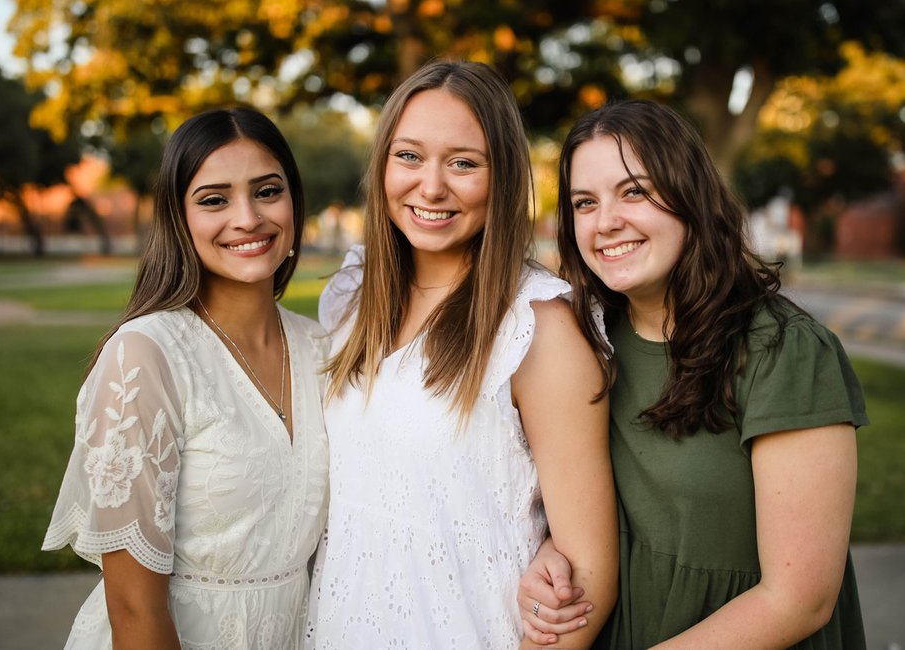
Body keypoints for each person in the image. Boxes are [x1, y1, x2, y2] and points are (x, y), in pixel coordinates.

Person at [519, 100, 869, 649]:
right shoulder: (586, 344)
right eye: (585, 203)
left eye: (634, 191)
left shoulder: (782, 350)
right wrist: (551, 552)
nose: (606, 222)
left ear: (691, 196)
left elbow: (800, 598)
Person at [307, 60, 617, 649]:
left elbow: (589, 573)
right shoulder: (353, 300)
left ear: (501, 178)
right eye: (409, 157)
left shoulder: (538, 327)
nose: (431, 186)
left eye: (463, 163)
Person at [42, 107, 329, 649]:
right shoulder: (147, 355)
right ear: (179, 218)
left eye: (267, 191)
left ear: (294, 201)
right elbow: (132, 608)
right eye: (214, 199)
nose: (246, 218)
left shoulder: (322, 349)